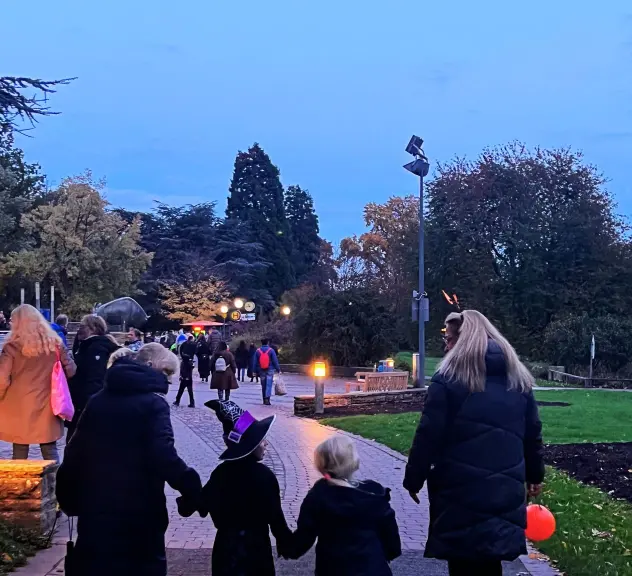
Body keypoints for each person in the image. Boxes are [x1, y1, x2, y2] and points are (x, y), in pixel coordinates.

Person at [403, 310, 545, 576]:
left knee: (462, 561)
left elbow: (428, 434)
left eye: (448, 339)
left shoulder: (448, 379)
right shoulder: (517, 378)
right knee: (492, 559)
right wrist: (535, 475)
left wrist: (414, 478)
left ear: (462, 339)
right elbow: (532, 432)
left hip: (459, 488)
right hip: (504, 487)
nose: (446, 345)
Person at [56, 343, 201, 576]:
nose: (169, 380)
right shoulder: (154, 404)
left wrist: (69, 497)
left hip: (96, 512)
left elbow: (74, 451)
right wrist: (190, 485)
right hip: (139, 514)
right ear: (151, 366)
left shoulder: (98, 400)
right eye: (166, 373)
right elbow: (163, 455)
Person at [178, 399, 290, 576]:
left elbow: (199, 503)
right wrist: (286, 542)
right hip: (256, 549)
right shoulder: (264, 476)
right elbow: (275, 517)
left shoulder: (221, 474)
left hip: (225, 550)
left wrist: (187, 492)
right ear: (249, 445)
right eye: (261, 440)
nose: (266, 444)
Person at [284, 435, 401, 575]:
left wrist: (288, 547)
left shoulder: (319, 494)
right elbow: (390, 535)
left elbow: (304, 537)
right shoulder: (374, 492)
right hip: (372, 567)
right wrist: (387, 554)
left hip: (333, 568)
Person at [0, 305, 76, 462]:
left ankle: (20, 484)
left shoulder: (12, 347)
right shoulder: (55, 343)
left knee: (19, 449)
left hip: (18, 405)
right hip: (48, 402)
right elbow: (71, 370)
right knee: (49, 449)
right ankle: (55, 484)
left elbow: (2, 379)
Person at [67, 315, 121, 442]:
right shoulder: (88, 346)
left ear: (93, 328)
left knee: (78, 442)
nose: (79, 329)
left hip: (87, 405)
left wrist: (87, 405)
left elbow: (94, 379)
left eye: (82, 326)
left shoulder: (95, 348)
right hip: (86, 404)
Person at [255, 339, 280, 405]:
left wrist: (254, 370)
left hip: (261, 370)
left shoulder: (258, 351)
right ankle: (267, 399)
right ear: (267, 342)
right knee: (268, 384)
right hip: (270, 369)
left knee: (263, 385)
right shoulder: (271, 350)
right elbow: (275, 361)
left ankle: (264, 399)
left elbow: (255, 362)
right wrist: (278, 369)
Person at [174, 335, 196, 407]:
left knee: (182, 387)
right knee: (188, 388)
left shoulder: (184, 345)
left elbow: (180, 351)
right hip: (188, 372)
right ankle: (191, 402)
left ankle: (178, 400)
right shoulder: (193, 345)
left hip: (185, 373)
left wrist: (182, 376)